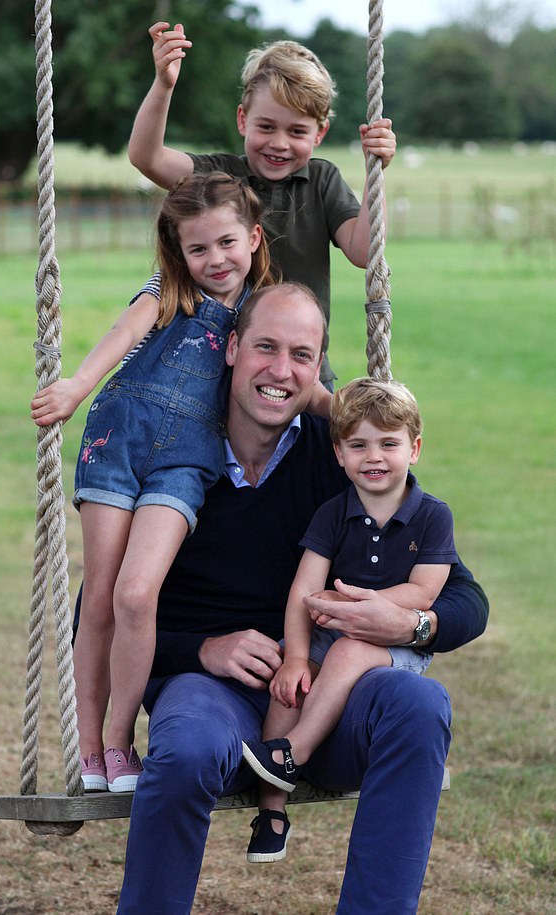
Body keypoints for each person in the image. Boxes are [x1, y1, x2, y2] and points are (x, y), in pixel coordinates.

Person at [115, 283, 489, 914]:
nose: (281, 371)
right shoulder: (172, 453)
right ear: (232, 348)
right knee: (186, 747)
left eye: (302, 354)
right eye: (265, 347)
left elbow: (465, 599)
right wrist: (204, 649)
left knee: (418, 703)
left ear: (319, 370)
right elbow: (99, 617)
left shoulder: (340, 454)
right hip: (216, 694)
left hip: (330, 694)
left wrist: (408, 623)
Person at [30, 172, 276, 793]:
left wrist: (348, 411)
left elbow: (289, 377)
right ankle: (92, 751)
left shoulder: (260, 311)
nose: (214, 260)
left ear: (252, 237)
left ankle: (120, 740)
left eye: (225, 243)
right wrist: (76, 386)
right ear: (180, 251)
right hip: (117, 442)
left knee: (138, 595)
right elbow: (123, 335)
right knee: (102, 595)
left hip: (186, 462)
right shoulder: (169, 290)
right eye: (198, 249)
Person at [241, 377, 458, 863]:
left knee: (350, 648)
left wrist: (362, 609)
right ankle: (272, 809)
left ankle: (294, 750)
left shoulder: (432, 517)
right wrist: (296, 657)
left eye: (389, 443)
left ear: (415, 448)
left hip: (395, 641)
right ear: (339, 454)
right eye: (358, 445)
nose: (374, 457)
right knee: (288, 683)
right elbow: (303, 590)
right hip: (330, 629)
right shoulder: (333, 514)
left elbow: (425, 591)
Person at [127, 22, 397, 384]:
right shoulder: (220, 177)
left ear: (320, 133)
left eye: (297, 131)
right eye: (266, 127)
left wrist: (374, 174)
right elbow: (148, 157)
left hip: (303, 373)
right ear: (243, 119)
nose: (280, 143)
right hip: (223, 376)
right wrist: (164, 84)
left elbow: (364, 252)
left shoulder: (322, 181)